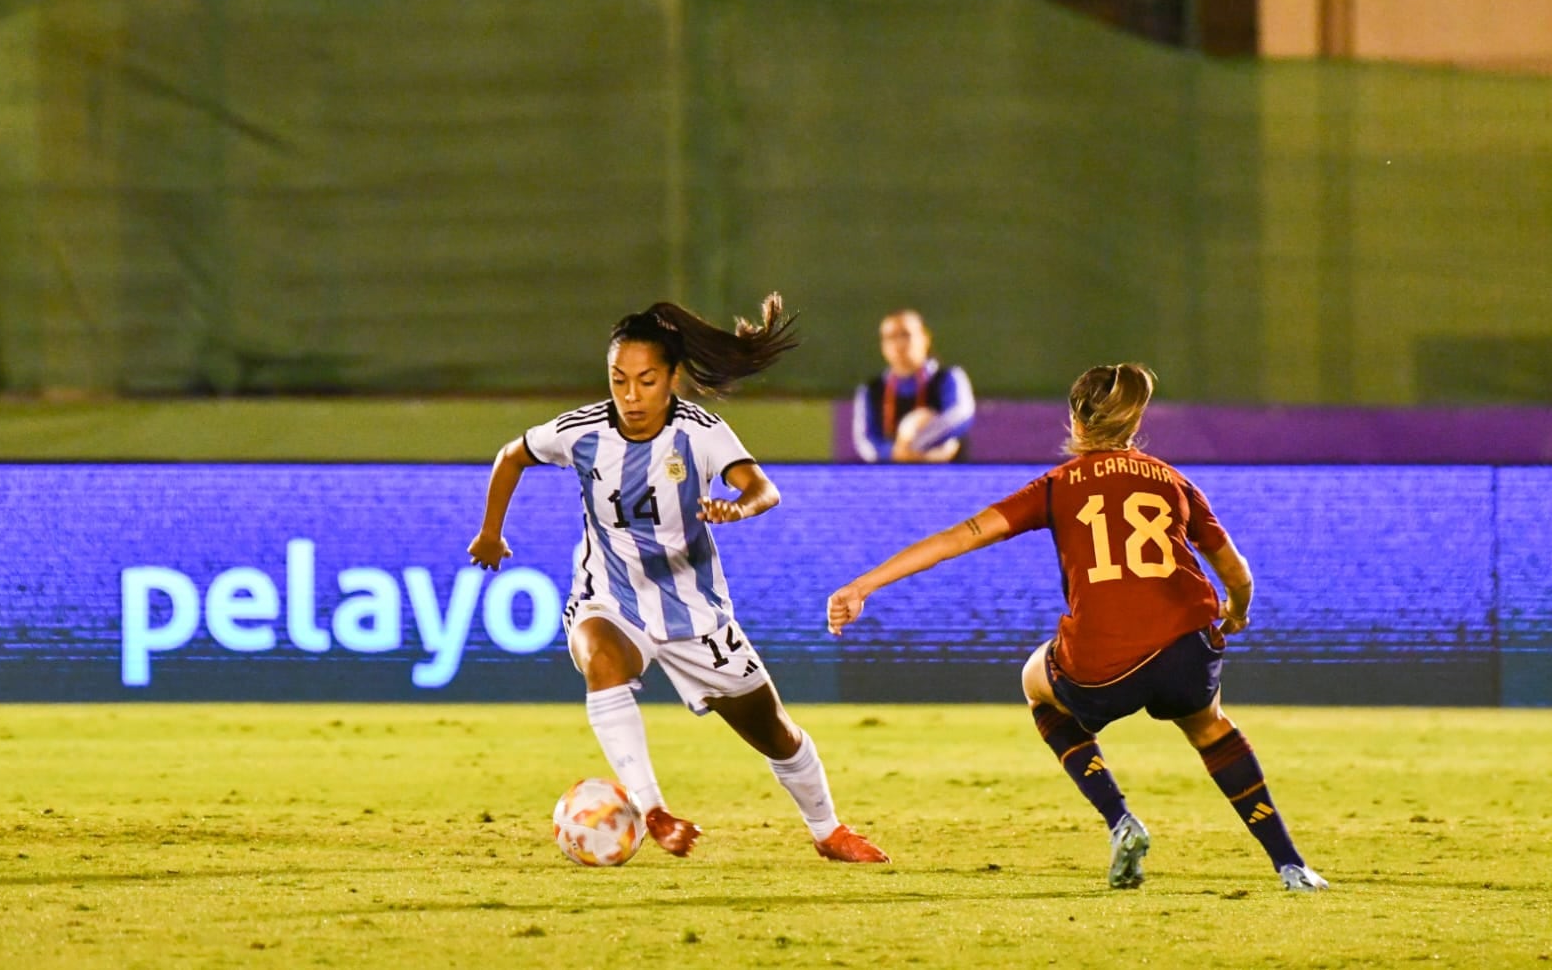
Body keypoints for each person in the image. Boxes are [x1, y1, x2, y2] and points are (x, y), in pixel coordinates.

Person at [827, 362, 1329, 892]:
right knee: (1209, 726)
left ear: (1076, 420)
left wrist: (864, 585)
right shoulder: (1176, 482)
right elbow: (1237, 573)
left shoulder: (1056, 486)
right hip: (1187, 645)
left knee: (1034, 683)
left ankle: (1120, 820)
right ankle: (1290, 864)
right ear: (1134, 424)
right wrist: (1238, 612)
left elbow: (964, 535)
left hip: (1102, 660)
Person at [468, 292, 888, 864]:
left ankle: (828, 830)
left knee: (777, 735)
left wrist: (736, 508)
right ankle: (652, 808)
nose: (630, 396)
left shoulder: (701, 433)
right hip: (608, 597)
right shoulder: (581, 432)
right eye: (619, 380)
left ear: (671, 379)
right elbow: (511, 455)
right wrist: (491, 532)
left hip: (695, 612)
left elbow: (763, 488)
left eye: (645, 380)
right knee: (602, 659)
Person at [852, 310, 975, 463]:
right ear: (883, 346)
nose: (899, 344)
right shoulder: (870, 391)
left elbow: (959, 417)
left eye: (906, 335)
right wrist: (896, 453)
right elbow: (866, 442)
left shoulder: (949, 378)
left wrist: (916, 445)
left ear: (925, 338)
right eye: (891, 338)